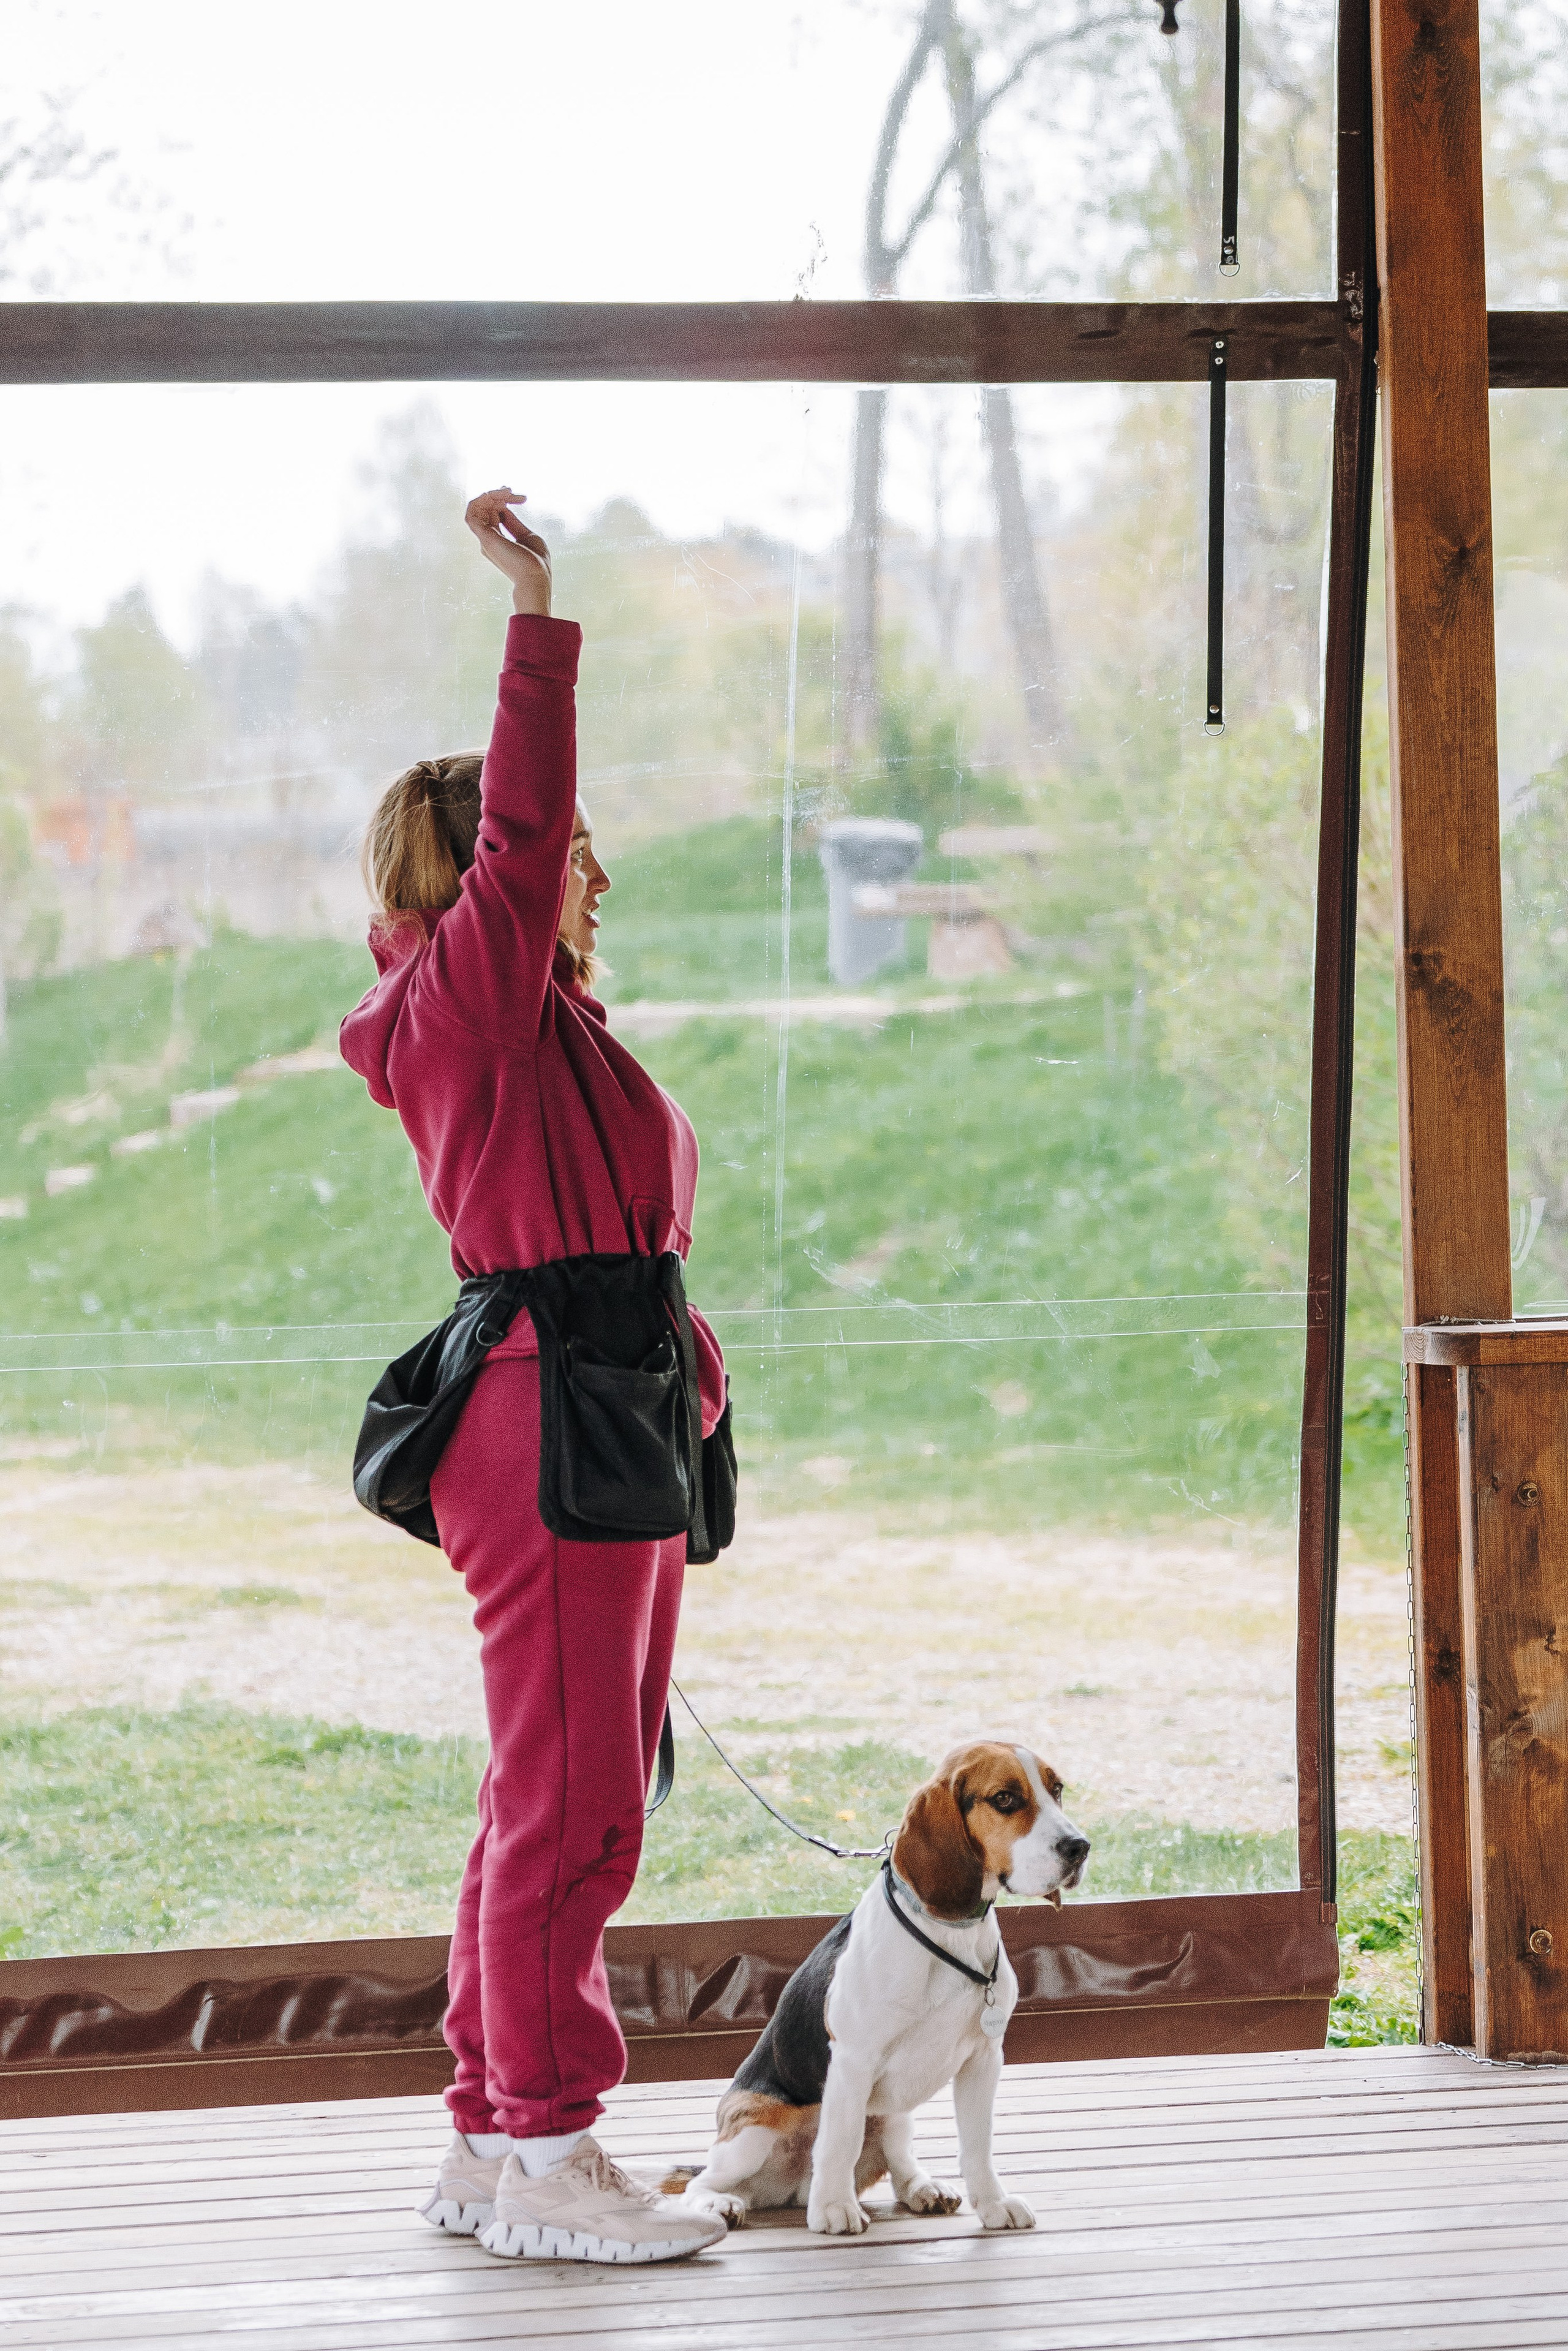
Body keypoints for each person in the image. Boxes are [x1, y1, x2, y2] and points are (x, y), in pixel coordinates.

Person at [340, 488, 728, 2267]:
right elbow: (521, 833)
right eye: (550, 847)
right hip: (545, 1416)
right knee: (567, 1800)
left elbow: (623, 1231)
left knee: (559, 1790)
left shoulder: (540, 1025)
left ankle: (493, 2143)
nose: (582, 863)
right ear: (478, 867)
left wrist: (688, 1367)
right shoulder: (468, 1007)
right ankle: (557, 2150)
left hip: (600, 1400)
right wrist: (540, 616)